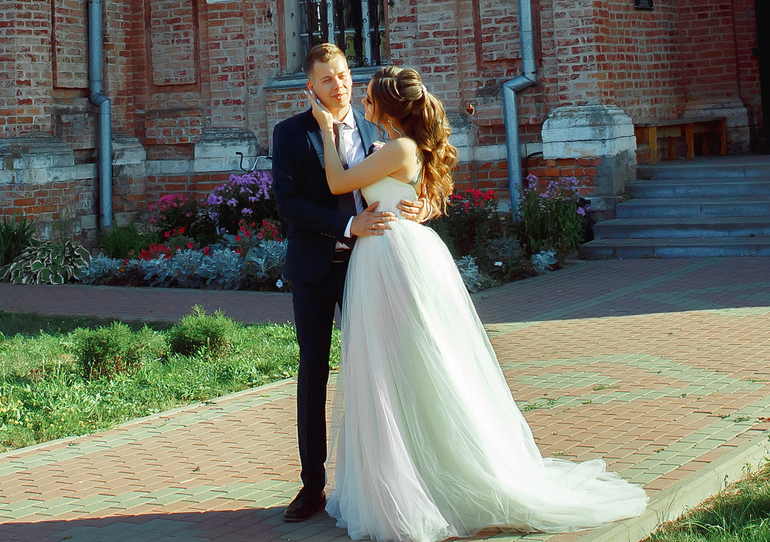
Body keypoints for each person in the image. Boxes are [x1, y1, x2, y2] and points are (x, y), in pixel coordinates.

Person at [309, 64, 646, 542]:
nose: (362, 103)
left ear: (387, 105)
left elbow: (339, 183)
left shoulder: (401, 147)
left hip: (394, 258)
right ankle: (408, 474)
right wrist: (419, 202)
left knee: (414, 365)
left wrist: (325, 130)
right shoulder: (398, 146)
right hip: (385, 254)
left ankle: (440, 476)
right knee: (393, 368)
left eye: (368, 96)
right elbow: (413, 193)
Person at [272, 42, 424, 524]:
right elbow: (288, 204)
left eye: (343, 75)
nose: (338, 85)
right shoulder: (290, 134)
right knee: (313, 372)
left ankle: (384, 479)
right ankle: (311, 486)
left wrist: (423, 206)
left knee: (377, 370)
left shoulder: (376, 128)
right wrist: (346, 227)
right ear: (310, 88)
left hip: (370, 268)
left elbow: (414, 183)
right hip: (315, 270)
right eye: (326, 79)